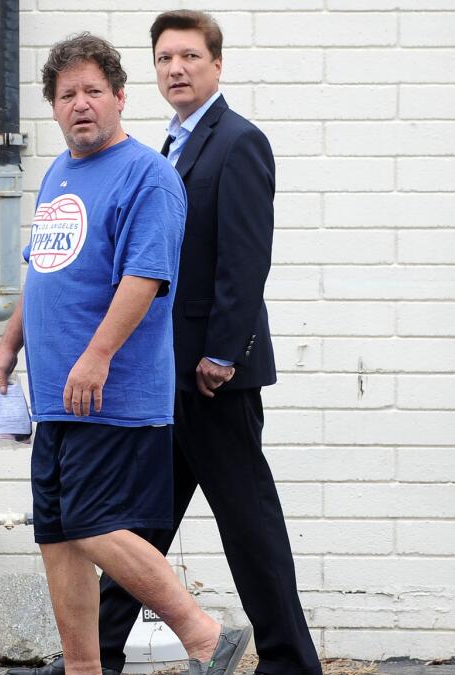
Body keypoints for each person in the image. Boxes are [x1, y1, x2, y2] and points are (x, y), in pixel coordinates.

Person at [0, 33, 249, 675]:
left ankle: (203, 632)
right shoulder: (58, 172)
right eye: (67, 94)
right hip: (55, 393)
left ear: (120, 98)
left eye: (93, 92)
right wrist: (8, 343)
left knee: (89, 523)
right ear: (52, 107)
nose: (81, 104)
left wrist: (97, 356)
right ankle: (84, 668)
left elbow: (146, 276)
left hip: (112, 391)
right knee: (56, 531)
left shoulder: (147, 176)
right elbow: (42, 268)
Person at [90, 11, 323, 675]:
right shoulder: (165, 147)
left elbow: (244, 260)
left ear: (217, 65)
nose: (176, 68)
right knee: (138, 523)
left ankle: (289, 663)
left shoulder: (238, 142)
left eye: (190, 56)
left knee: (249, 526)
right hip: (165, 373)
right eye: (164, 59)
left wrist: (222, 353)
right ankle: (96, 655)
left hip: (213, 377)